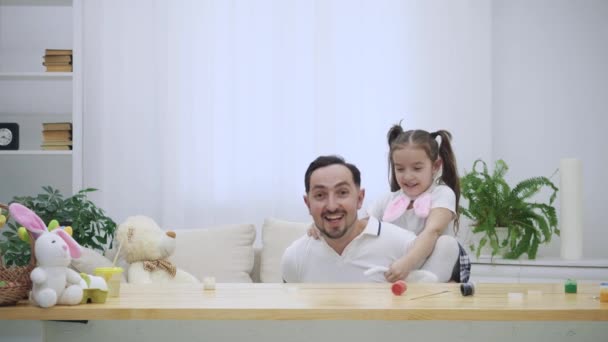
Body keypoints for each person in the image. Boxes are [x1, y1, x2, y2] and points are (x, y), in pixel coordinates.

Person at [281, 155, 437, 283]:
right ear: (308, 204)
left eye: (342, 192)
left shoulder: (404, 245)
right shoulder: (295, 257)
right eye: (320, 195)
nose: (332, 206)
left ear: (360, 198)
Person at [366, 123, 470, 283]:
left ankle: (420, 284)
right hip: (397, 268)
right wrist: (318, 229)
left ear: (435, 166)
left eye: (417, 168)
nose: (407, 176)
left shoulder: (441, 193)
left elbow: (433, 231)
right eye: (400, 169)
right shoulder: (386, 200)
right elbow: (360, 226)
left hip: (428, 266)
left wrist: (407, 263)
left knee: (447, 244)